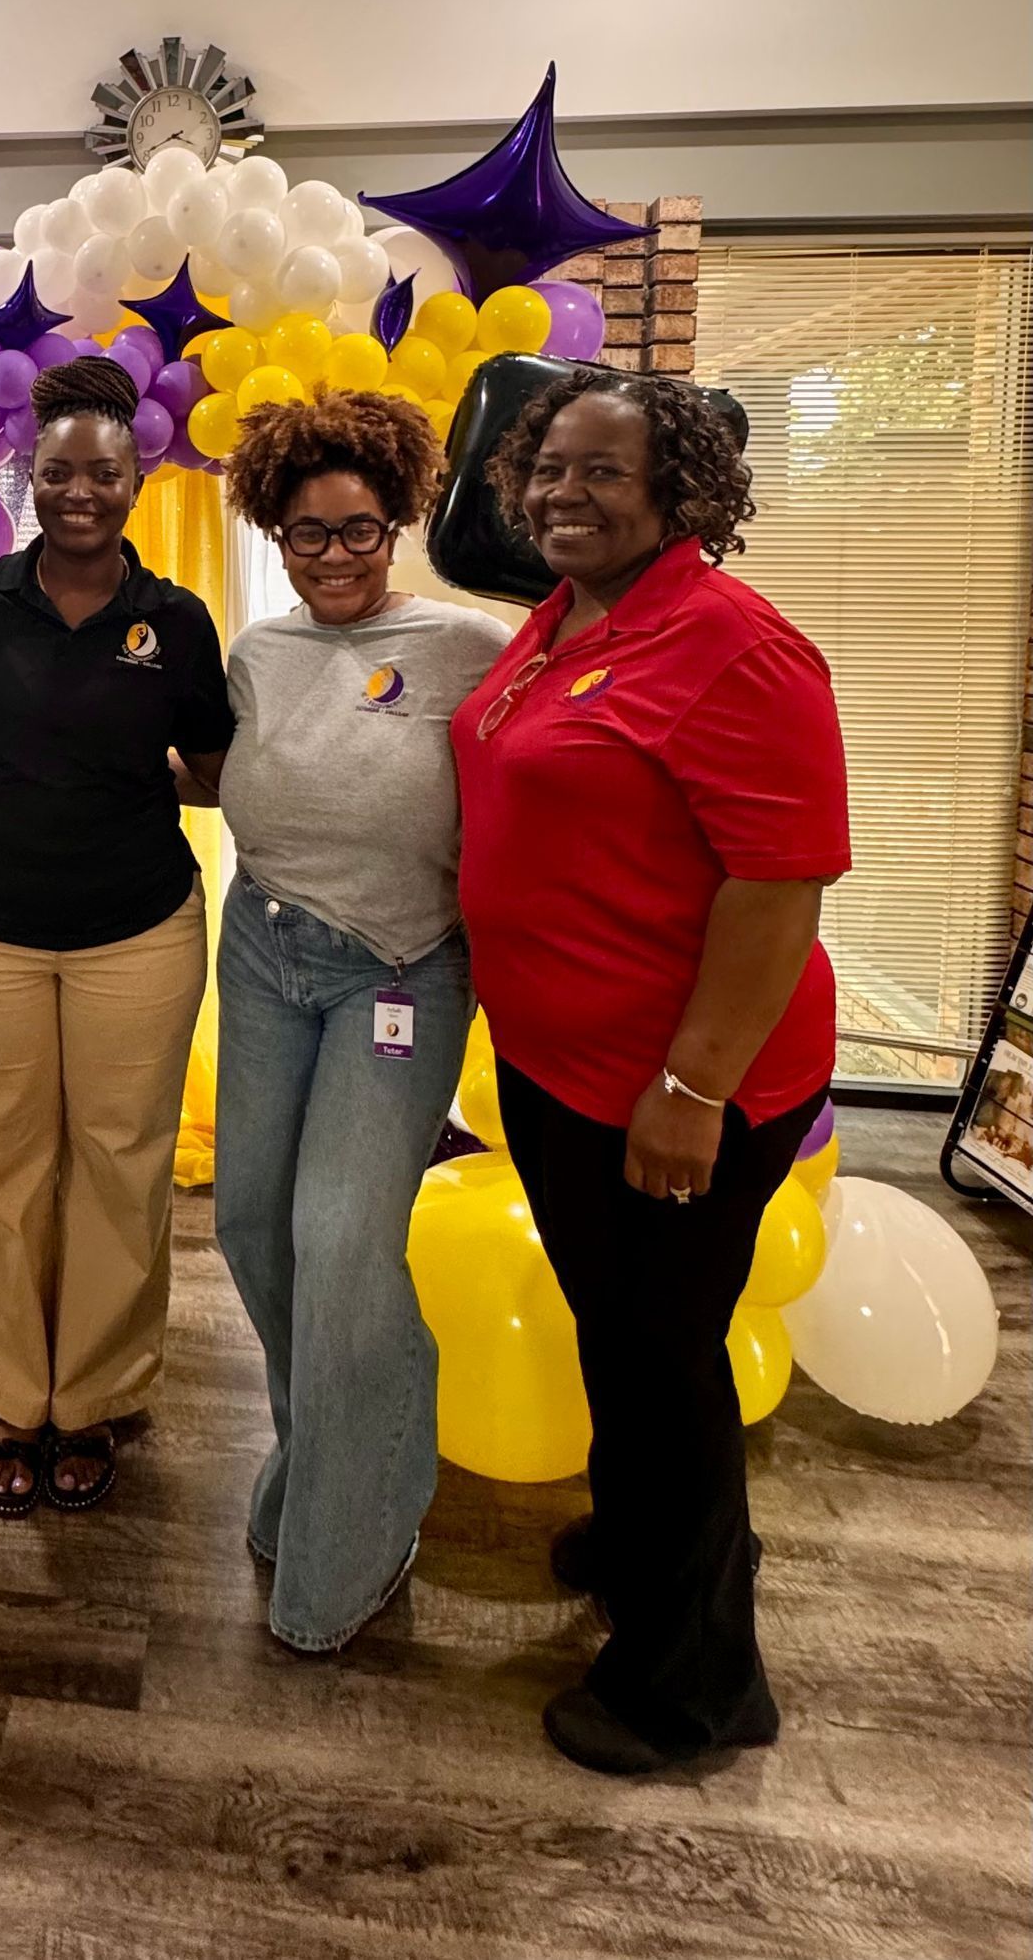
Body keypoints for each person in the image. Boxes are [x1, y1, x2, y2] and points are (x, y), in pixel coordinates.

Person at [453, 368, 850, 1775]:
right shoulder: (565, 621)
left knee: (666, 1357)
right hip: (563, 1065)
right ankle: (640, 1545)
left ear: (680, 489)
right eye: (549, 467)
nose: (564, 491)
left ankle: (696, 1685)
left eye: (603, 472)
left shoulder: (738, 646)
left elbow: (777, 879)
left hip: (676, 1084)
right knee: (619, 1334)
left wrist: (691, 1087)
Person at [213, 391, 510, 1652]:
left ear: (399, 524)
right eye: (307, 534)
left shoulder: (470, 646)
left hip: (399, 972)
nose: (334, 556)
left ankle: (357, 1529)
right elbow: (220, 767)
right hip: (266, 948)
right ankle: (324, 1447)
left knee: (340, 1242)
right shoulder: (256, 653)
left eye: (359, 530)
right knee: (249, 1229)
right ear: (275, 535)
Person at [0, 358, 233, 1516]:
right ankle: (11, 1396)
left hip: (137, 930)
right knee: (2, 1169)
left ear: (138, 479)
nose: (81, 491)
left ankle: (91, 1397)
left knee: (119, 1162)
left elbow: (211, 770)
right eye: (59, 473)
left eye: (105, 472)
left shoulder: (177, 619)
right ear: (28, 477)